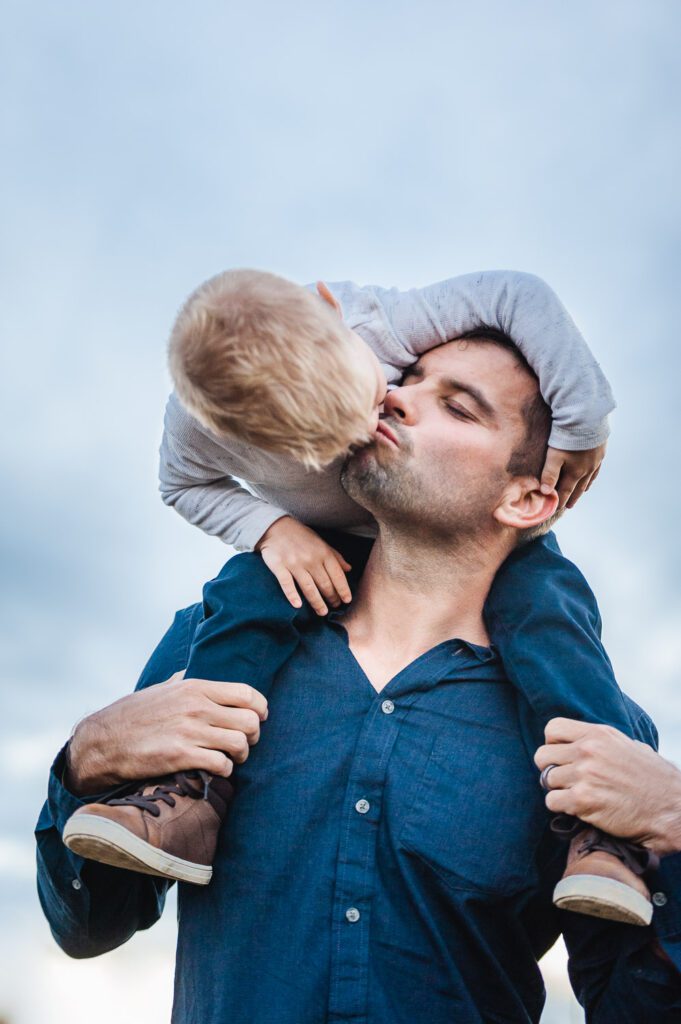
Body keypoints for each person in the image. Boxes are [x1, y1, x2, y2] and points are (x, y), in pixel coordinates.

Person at [36, 334, 681, 1021]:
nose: (395, 398)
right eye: (407, 381)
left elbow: (635, 1009)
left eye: (457, 408)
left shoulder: (597, 736)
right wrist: (85, 761)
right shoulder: (206, 651)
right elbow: (86, 928)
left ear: (525, 500)